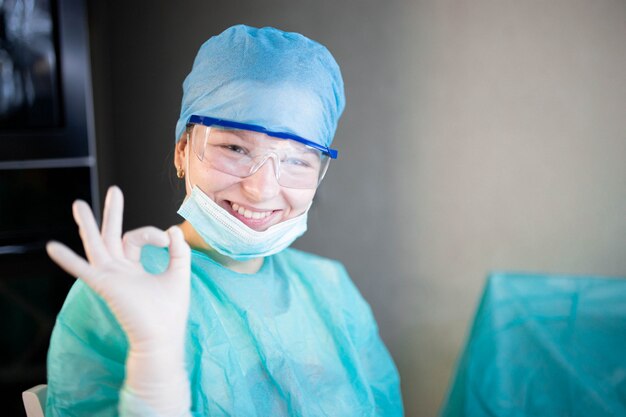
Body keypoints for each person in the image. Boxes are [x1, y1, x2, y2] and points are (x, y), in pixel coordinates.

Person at [45, 25, 403, 416]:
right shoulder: (120, 291)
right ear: (183, 151)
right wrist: (155, 367)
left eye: (297, 160)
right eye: (234, 148)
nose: (262, 189)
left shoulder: (331, 290)